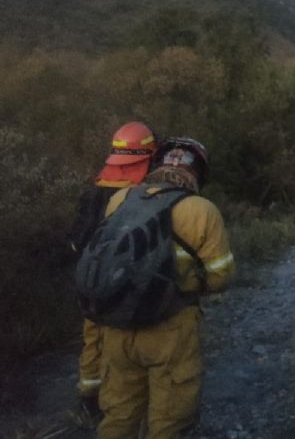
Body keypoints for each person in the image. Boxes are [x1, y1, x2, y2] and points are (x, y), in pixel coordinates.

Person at [96, 137, 235, 439]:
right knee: (169, 420)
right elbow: (221, 276)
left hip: (117, 325)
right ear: (198, 171)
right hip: (171, 328)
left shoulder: (121, 199)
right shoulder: (202, 210)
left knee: (118, 414)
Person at [67, 121, 157, 420]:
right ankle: (126, 403)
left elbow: (76, 240)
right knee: (123, 343)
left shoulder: (94, 191)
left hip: (89, 282)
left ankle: (88, 395)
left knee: (92, 337)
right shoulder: (140, 195)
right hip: (122, 288)